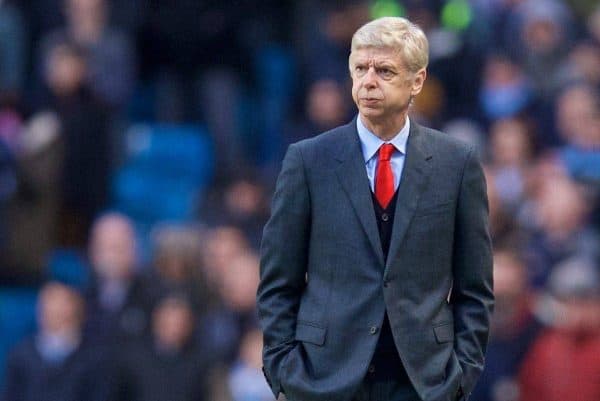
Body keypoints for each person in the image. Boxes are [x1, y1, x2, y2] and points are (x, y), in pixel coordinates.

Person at [257, 17, 494, 401]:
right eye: (360, 69)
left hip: (424, 383)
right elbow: (277, 281)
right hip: (323, 380)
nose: (368, 81)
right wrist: (284, 373)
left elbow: (475, 289)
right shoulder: (308, 160)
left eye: (384, 71)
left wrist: (460, 377)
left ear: (417, 81)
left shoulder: (457, 163)